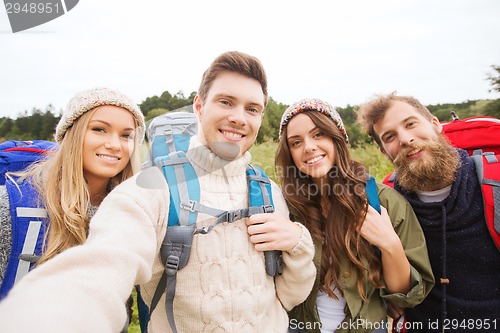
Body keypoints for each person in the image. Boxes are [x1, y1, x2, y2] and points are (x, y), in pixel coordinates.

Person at [0, 51, 316, 333]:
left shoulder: (268, 191)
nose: (239, 117)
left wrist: (299, 243)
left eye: (252, 109)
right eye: (225, 102)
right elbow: (105, 264)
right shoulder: (152, 186)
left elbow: (288, 295)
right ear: (199, 105)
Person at [276, 98, 434, 333]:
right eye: (296, 142)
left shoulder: (383, 201)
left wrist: (390, 245)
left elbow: (406, 296)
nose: (308, 147)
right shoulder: (286, 206)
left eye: (318, 134)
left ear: (337, 138)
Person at [0, 87, 145, 331]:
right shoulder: (12, 206)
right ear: (72, 134)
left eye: (126, 135)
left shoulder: (133, 213)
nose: (114, 144)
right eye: (99, 129)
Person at [356, 93, 500, 332]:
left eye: (411, 124)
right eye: (390, 137)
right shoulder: (387, 202)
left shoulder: (494, 185)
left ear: (435, 124)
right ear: (384, 152)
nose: (405, 139)